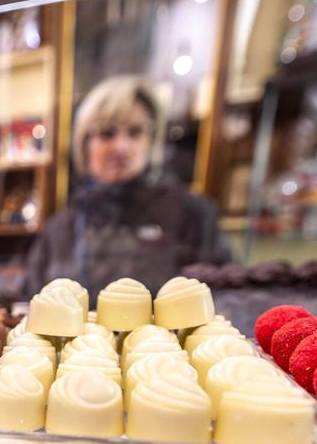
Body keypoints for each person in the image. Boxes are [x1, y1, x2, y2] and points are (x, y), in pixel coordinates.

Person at [25, 78, 230, 296]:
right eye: (106, 133)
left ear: (152, 140)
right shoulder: (58, 231)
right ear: (84, 143)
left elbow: (223, 299)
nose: (120, 147)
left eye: (135, 132)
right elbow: (32, 308)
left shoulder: (192, 217)